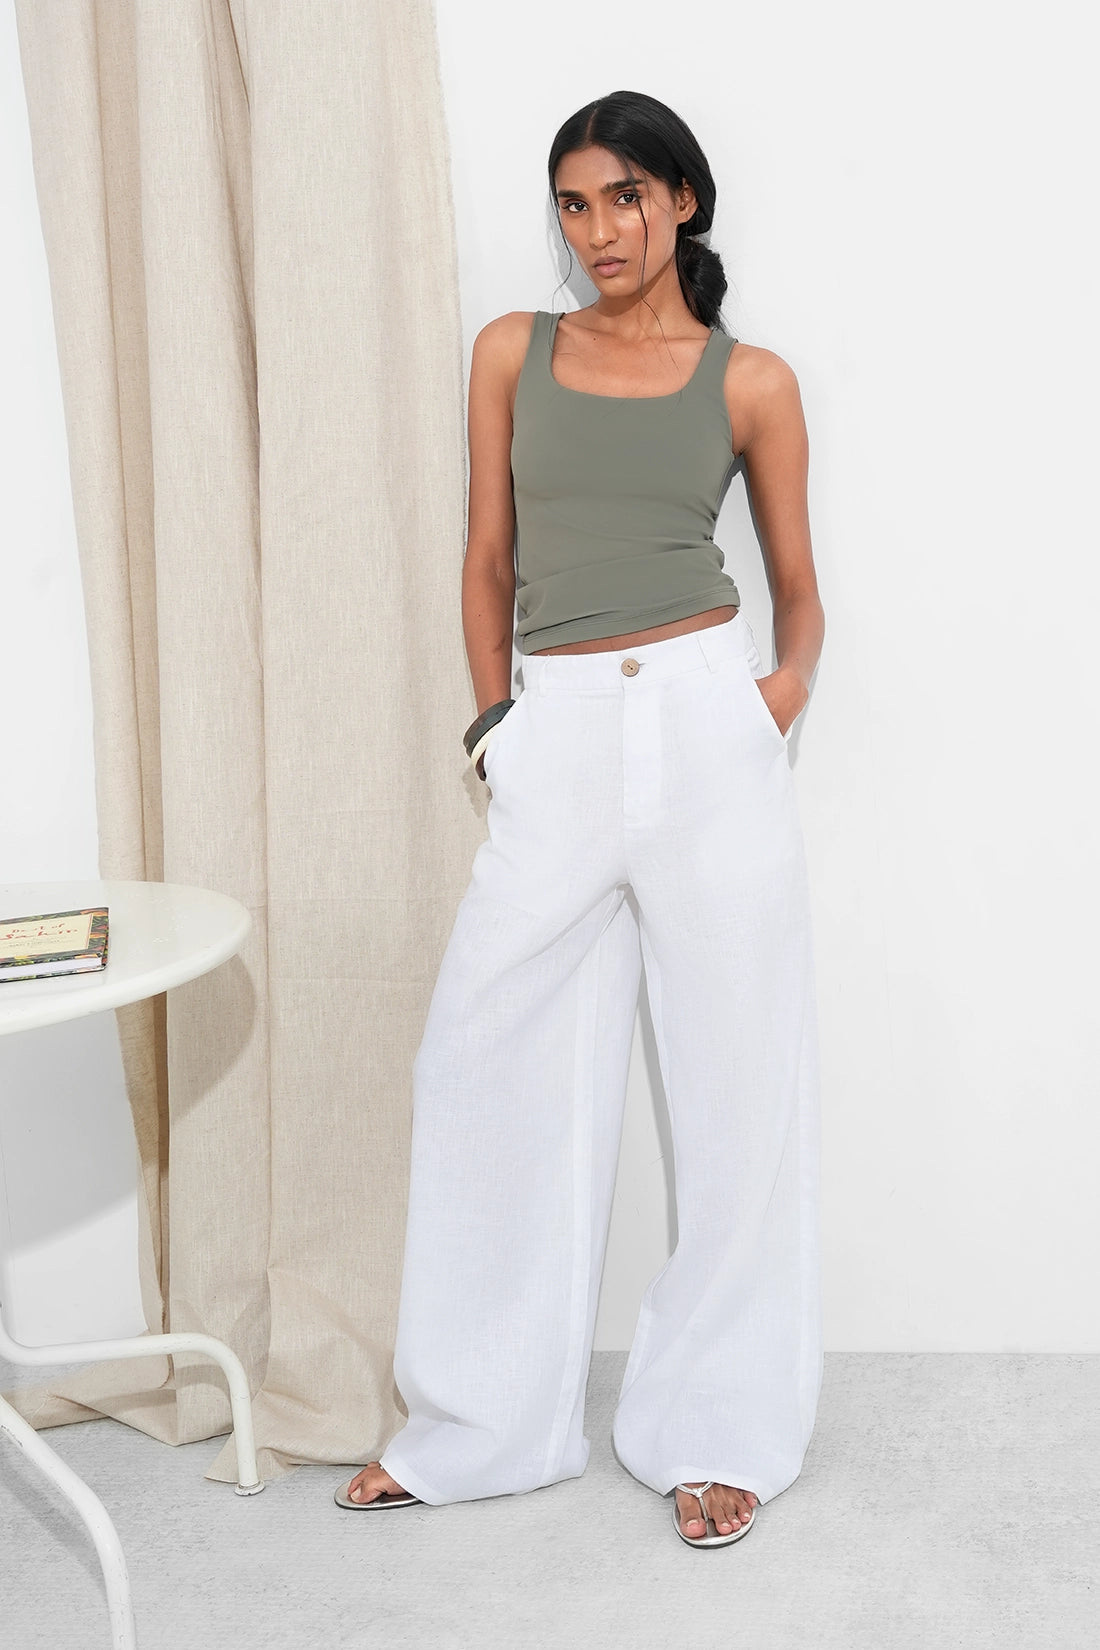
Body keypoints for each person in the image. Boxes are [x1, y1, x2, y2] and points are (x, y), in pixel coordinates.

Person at [336, 88, 825, 1548]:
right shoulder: (513, 351)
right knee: (480, 1059)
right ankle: (478, 1427)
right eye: (572, 202)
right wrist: (499, 725)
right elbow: (487, 557)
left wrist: (769, 704)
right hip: (553, 728)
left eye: (622, 197)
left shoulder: (752, 382)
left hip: (704, 721)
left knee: (738, 1085)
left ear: (681, 201)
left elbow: (801, 588)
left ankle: (722, 1430)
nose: (596, 229)